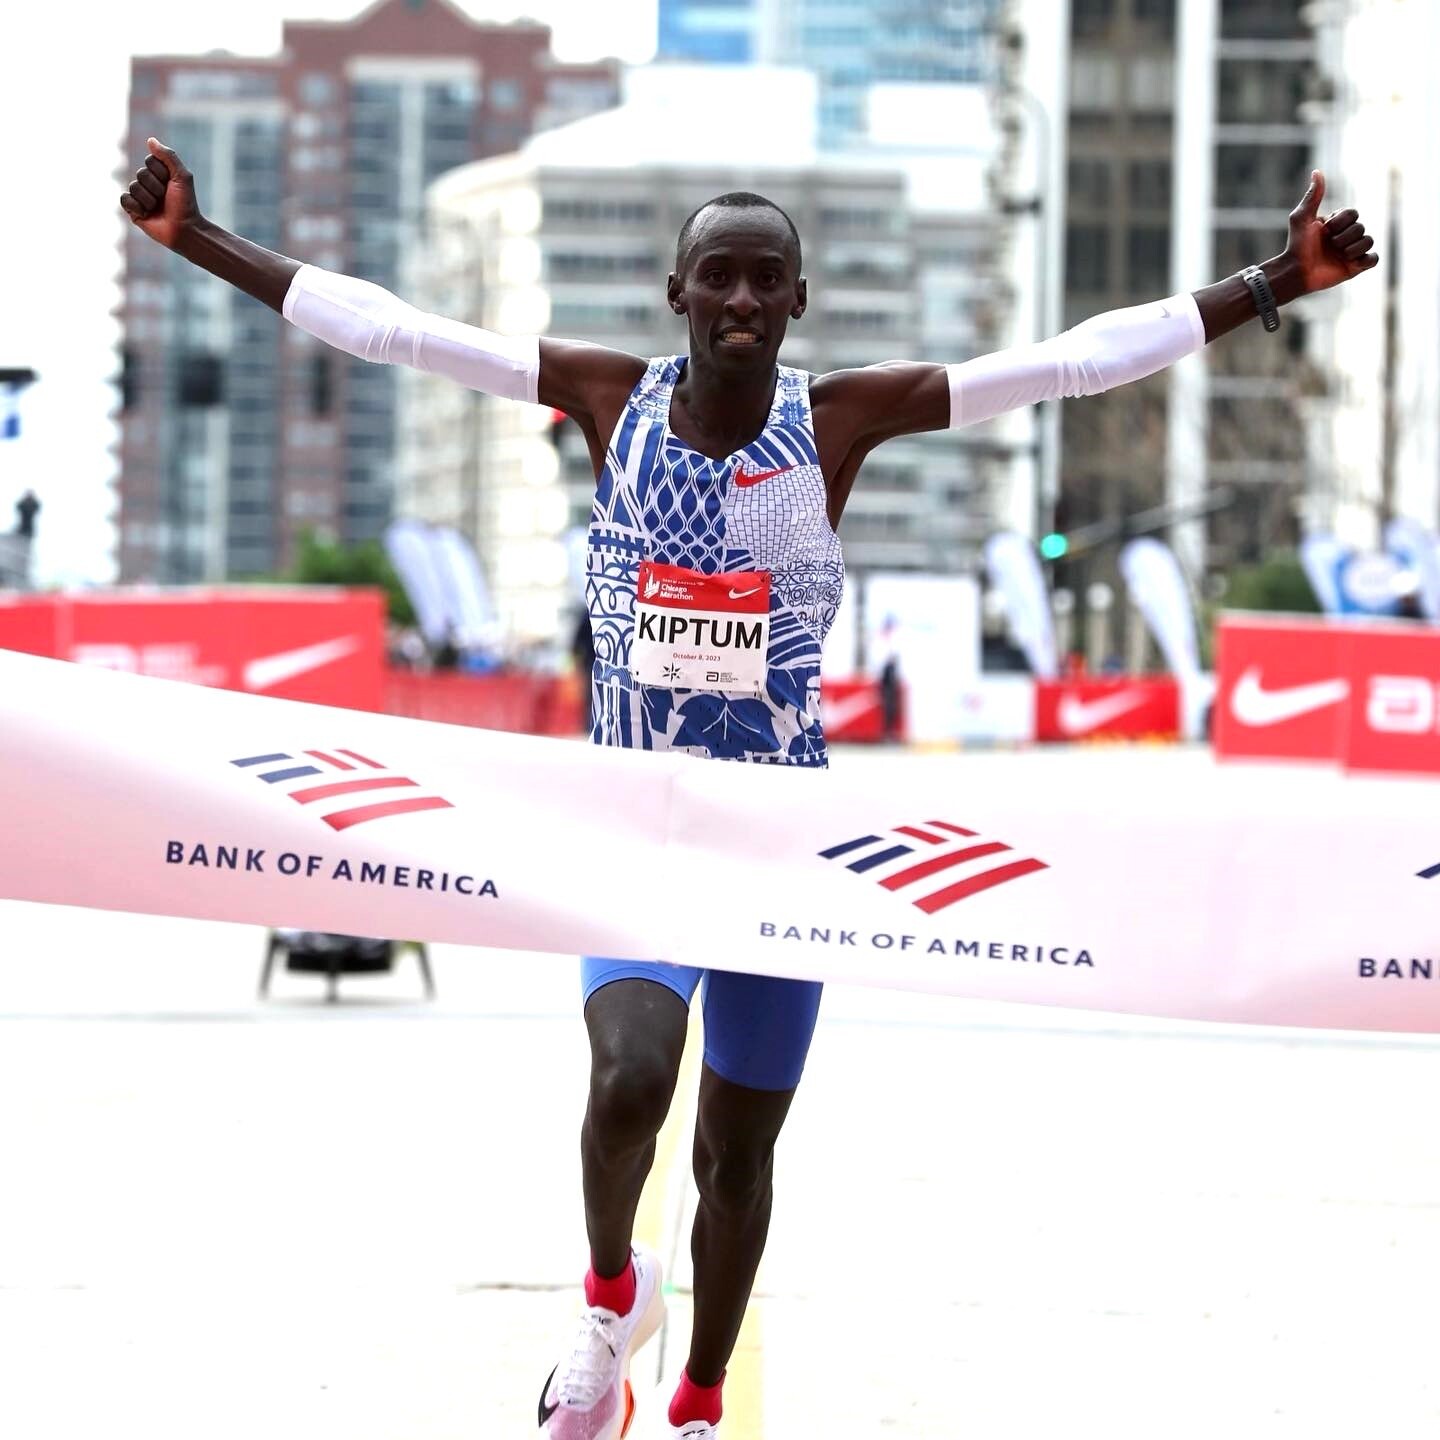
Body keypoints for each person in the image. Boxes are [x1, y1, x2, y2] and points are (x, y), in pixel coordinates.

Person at [121, 137, 1377, 1439]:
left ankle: (699, 1403)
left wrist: (1271, 283)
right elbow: (395, 332)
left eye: (765, 279)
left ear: (797, 301)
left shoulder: (836, 421)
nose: (739, 298)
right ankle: (612, 1299)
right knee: (628, 1083)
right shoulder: (607, 400)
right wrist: (196, 239)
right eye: (716, 275)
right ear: (676, 292)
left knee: (736, 1156)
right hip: (634, 832)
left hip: (781, 846)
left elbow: (1071, 362)